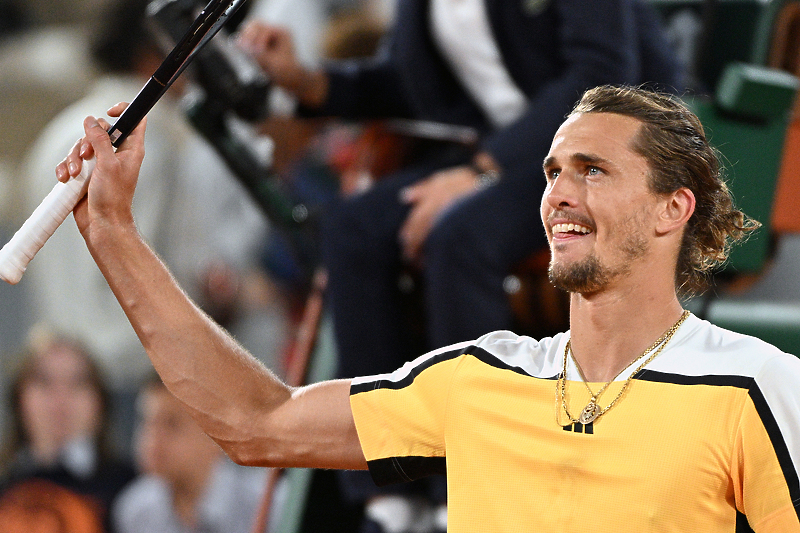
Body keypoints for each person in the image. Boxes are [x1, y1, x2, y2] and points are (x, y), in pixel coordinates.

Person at [57, 84, 800, 531]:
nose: (559, 193)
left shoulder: (754, 386)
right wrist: (115, 234)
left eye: (593, 169)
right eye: (552, 171)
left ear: (673, 208)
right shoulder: (479, 378)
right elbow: (255, 421)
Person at [236, 1, 686, 526]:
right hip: (504, 158)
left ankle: (479, 483)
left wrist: (479, 172)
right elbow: (412, 81)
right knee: (352, 229)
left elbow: (601, 75)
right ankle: (389, 497)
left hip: (608, 152)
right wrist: (306, 81)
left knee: (458, 237)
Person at [21, 0, 276, 388]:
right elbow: (153, 262)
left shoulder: (52, 135)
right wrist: (224, 290)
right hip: (136, 370)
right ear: (152, 58)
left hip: (66, 378)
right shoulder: (148, 141)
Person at [0, 326, 136, 532]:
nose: (60, 398)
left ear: (100, 401)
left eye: (77, 382)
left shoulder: (131, 489)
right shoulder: (5, 482)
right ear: (19, 397)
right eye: (44, 381)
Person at [112, 374, 274, 533]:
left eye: (171, 424)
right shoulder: (135, 510)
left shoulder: (271, 505)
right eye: (146, 421)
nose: (152, 440)